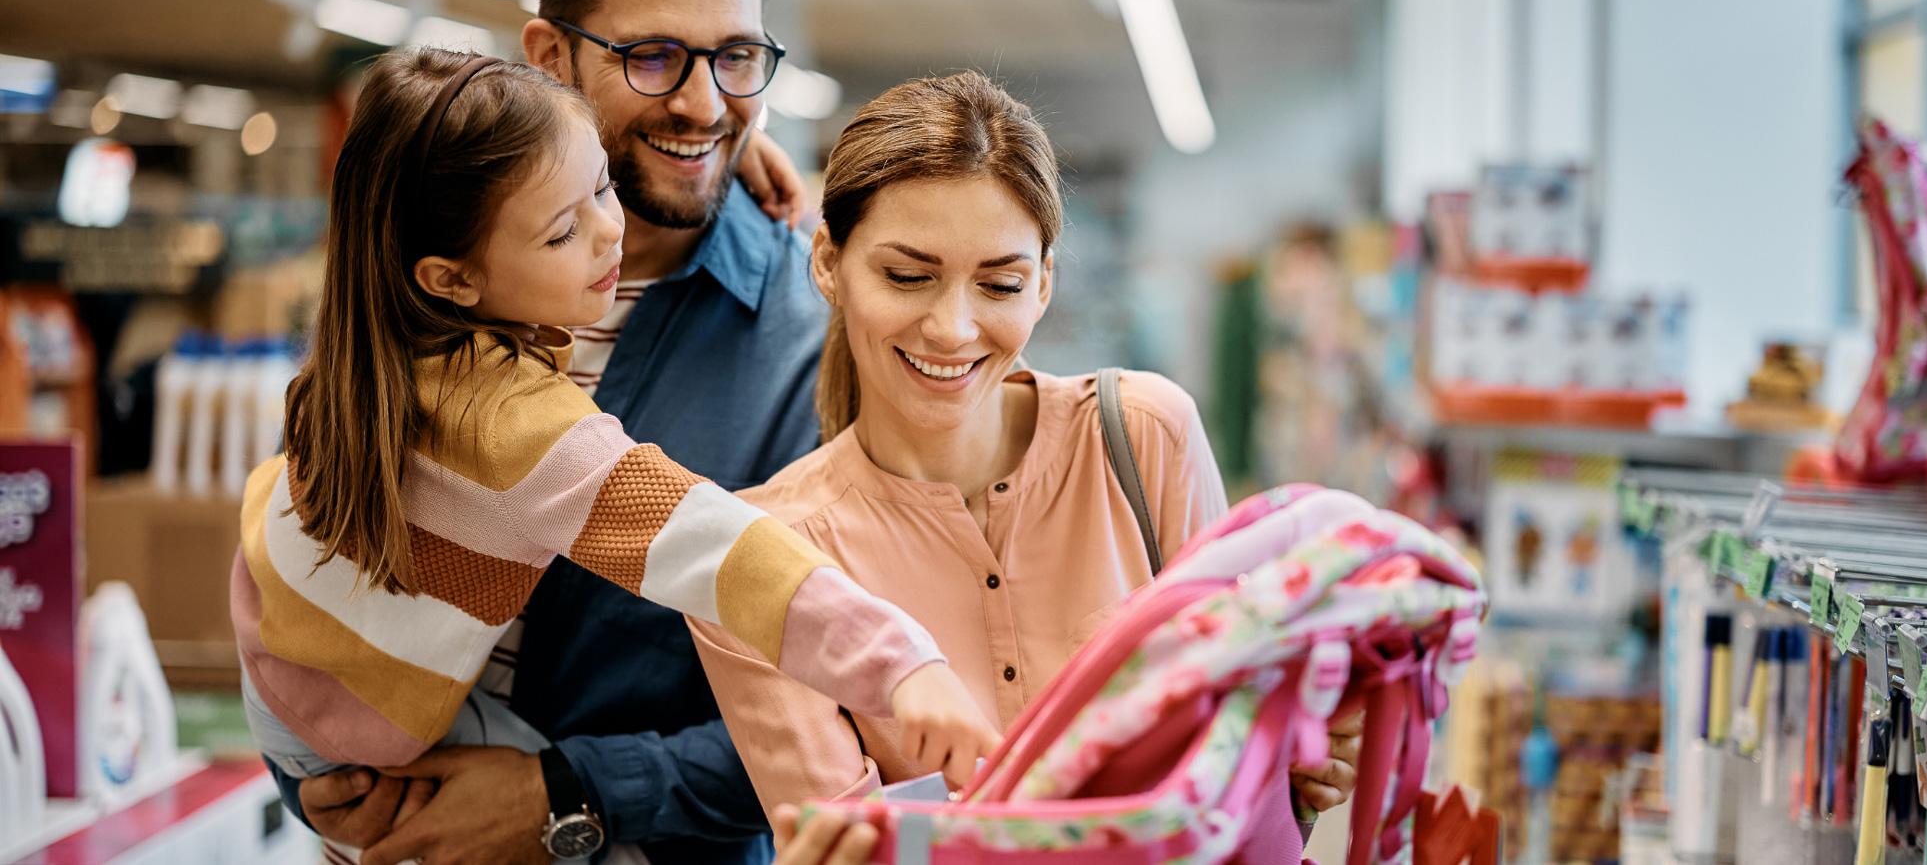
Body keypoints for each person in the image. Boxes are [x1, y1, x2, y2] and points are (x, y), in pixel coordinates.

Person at [234, 45, 999, 855]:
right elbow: (722, 549)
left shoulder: (378, 342)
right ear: (451, 278)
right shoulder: (512, 429)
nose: (612, 231)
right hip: (350, 740)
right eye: (565, 230)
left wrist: (733, 154)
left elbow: (465, 138)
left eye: (602, 183)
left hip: (286, 664)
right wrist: (904, 665)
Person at [692, 72, 1364, 839]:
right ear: (827, 263)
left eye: (1001, 283)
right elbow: (848, 850)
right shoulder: (764, 557)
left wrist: (1299, 753)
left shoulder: (1144, 437)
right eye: (907, 276)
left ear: (1044, 282)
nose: (952, 327)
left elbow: (1236, 756)